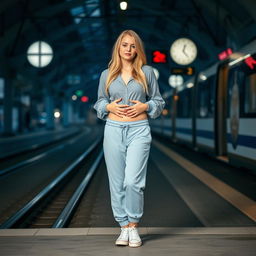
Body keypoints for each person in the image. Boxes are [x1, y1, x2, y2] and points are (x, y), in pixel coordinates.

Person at [93, 30, 165, 248]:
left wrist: (146, 106)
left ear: (137, 49)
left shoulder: (147, 72)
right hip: (113, 129)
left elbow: (159, 101)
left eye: (133, 46)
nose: (128, 49)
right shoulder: (107, 74)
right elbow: (99, 102)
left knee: (133, 181)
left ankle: (133, 226)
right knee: (117, 183)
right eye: (124, 45)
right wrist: (107, 106)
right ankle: (123, 227)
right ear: (118, 47)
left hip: (139, 130)